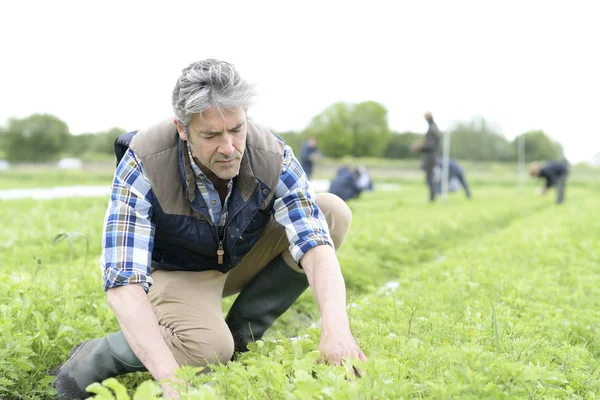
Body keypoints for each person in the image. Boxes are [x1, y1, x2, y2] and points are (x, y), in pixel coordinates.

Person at [53, 59, 366, 400]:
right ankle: (95, 357)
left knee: (331, 211)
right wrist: (171, 380)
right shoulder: (145, 160)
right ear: (183, 129)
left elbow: (315, 241)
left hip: (237, 255)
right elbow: (124, 282)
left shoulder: (272, 153)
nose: (229, 147)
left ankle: (242, 339)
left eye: (236, 129)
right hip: (176, 271)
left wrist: (336, 327)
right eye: (211, 135)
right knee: (208, 350)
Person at [412, 112, 441, 202]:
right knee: (429, 179)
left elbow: (432, 145)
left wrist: (420, 147)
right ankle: (432, 197)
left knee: (430, 179)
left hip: (431, 158)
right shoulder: (433, 128)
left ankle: (432, 198)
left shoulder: (433, 128)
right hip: (431, 158)